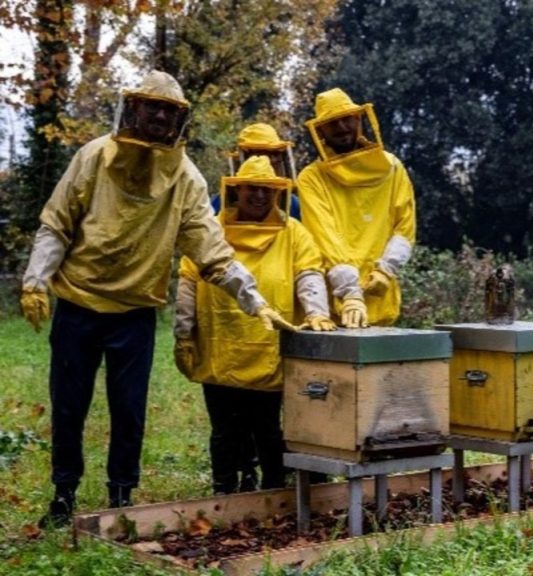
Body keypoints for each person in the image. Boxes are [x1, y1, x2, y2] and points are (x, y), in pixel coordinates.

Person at [20, 71, 295, 528]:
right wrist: (35, 280)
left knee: (129, 409)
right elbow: (56, 224)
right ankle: (63, 495)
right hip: (78, 307)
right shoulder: (93, 157)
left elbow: (211, 249)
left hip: (134, 313)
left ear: (179, 118)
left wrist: (254, 300)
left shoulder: (184, 178)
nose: (161, 115)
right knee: (69, 406)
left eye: (170, 109)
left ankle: (121, 497)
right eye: (154, 106)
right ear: (135, 108)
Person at [174, 155, 335, 494]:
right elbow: (188, 280)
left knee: (268, 429)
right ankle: (224, 491)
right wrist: (184, 332)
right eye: (252, 189)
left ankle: (273, 491)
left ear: (277, 193)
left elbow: (308, 274)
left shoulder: (294, 232)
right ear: (237, 190)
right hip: (221, 347)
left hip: (269, 350)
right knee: (224, 429)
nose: (259, 196)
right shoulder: (212, 229)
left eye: (267, 190)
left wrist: (317, 311)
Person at [296, 88, 416, 328]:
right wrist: (349, 291)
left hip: (381, 296)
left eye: (346, 119)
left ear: (359, 119)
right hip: (334, 303)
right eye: (332, 123)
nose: (341, 128)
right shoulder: (311, 177)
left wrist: (386, 270)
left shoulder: (392, 168)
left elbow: (405, 227)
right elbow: (325, 236)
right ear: (320, 131)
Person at [215, 123, 302, 220]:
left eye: (275, 153)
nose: (272, 159)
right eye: (263, 153)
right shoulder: (220, 203)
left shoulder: (292, 204)